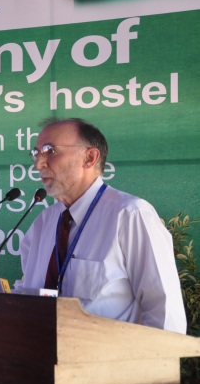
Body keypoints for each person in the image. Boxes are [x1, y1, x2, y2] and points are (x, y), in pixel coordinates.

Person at [19, 118, 186, 333]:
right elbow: (30, 293)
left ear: (89, 157)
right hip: (39, 351)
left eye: (50, 151)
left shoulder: (130, 215)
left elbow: (165, 314)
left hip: (110, 354)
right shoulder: (43, 224)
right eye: (36, 153)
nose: (38, 164)